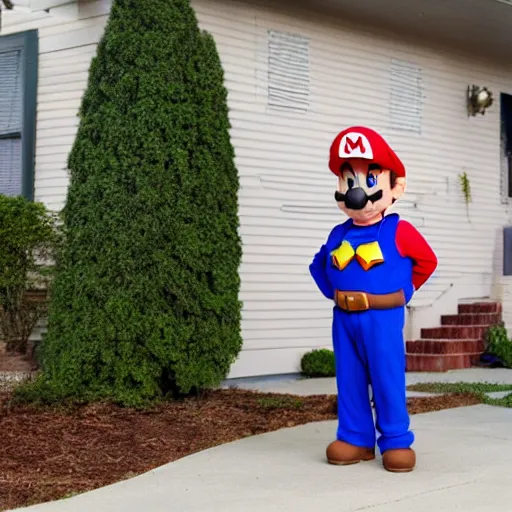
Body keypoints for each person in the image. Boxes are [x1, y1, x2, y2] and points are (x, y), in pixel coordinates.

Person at [309, 126, 437, 472]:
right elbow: (318, 265)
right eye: (348, 181)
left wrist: (403, 293)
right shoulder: (339, 233)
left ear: (395, 187)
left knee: (386, 375)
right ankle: (355, 438)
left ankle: (396, 440)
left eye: (368, 180)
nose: (355, 193)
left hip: (381, 317)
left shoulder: (400, 230)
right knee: (348, 377)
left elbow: (427, 262)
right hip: (344, 319)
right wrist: (335, 294)